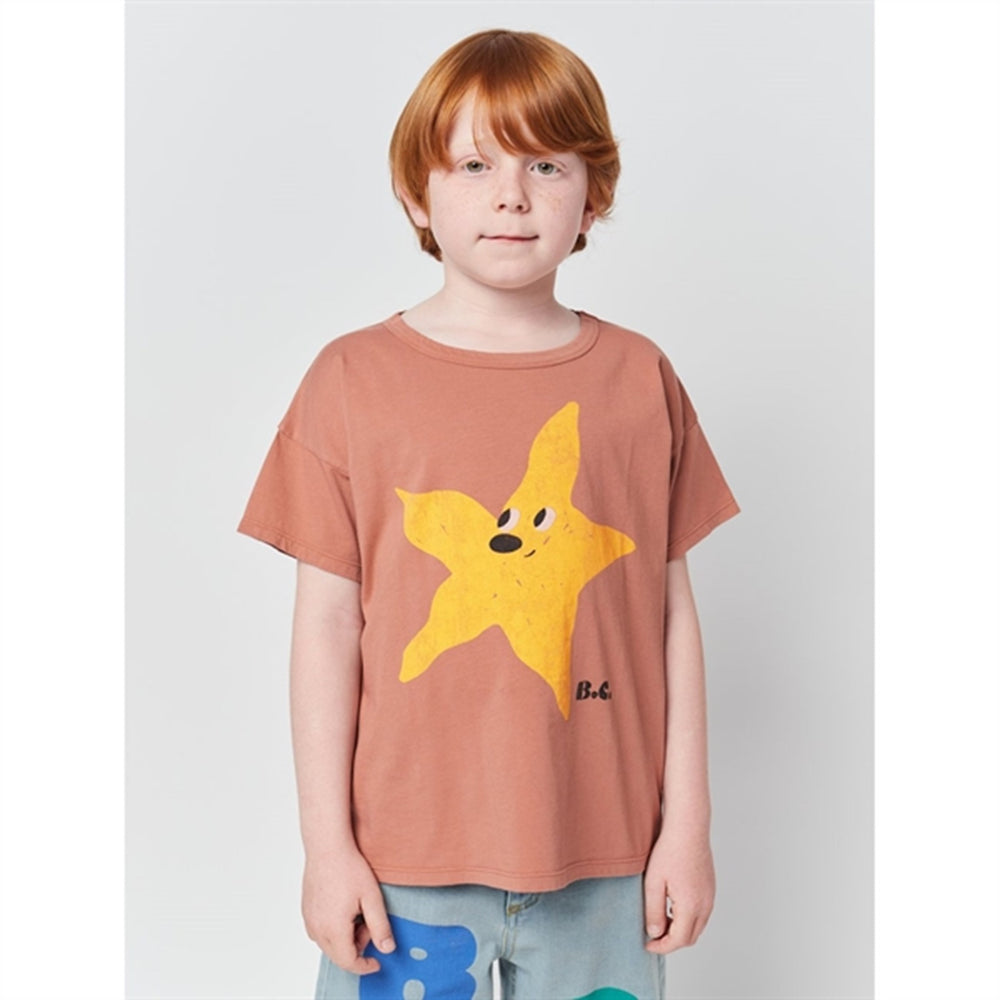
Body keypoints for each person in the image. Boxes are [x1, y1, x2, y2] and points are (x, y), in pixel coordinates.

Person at [237, 28, 741, 1000]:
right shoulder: (350, 380)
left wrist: (687, 827)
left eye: (545, 164)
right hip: (401, 863)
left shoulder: (639, 379)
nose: (511, 194)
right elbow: (327, 628)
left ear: (593, 194)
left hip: (607, 858)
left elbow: (670, 616)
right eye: (474, 164)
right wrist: (327, 849)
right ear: (415, 193)